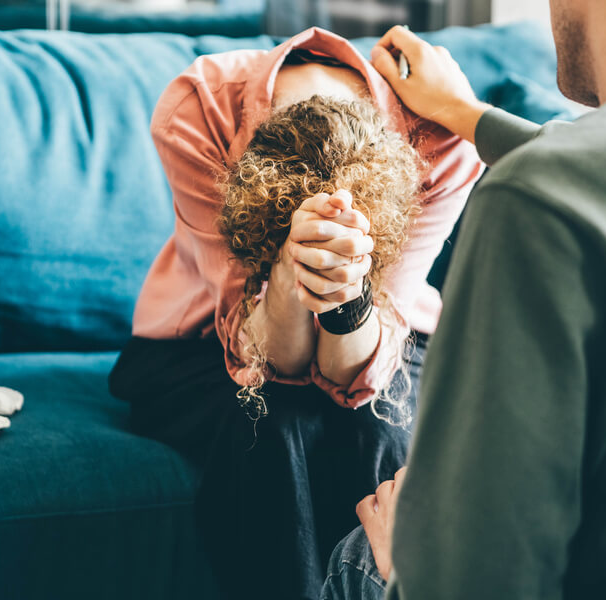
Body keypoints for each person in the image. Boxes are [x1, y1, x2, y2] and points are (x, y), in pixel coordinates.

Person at [322, 1, 606, 599]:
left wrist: (404, 569)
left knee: (360, 558)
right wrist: (467, 115)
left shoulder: (543, 202)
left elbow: (474, 580)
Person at [107, 27, 483, 600]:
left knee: (378, 421)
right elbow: (270, 361)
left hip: (389, 340)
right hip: (208, 342)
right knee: (272, 423)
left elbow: (354, 376)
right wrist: (287, 272)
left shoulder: (440, 136)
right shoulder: (200, 109)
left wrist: (348, 297)